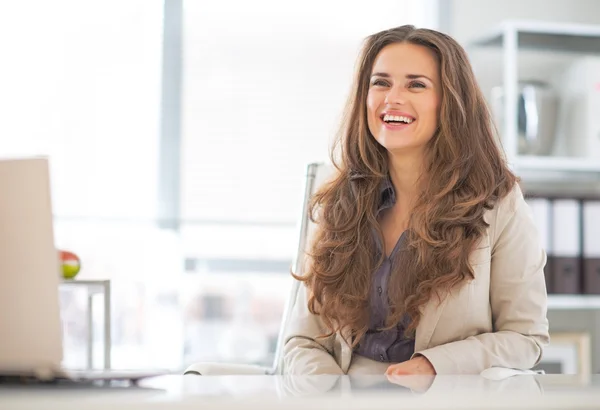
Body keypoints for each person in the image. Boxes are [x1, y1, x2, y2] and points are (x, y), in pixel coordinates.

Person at [282, 25, 549, 376]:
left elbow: (525, 338)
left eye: (416, 84)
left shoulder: (499, 204)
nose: (393, 98)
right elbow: (302, 341)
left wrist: (434, 367)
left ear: (450, 102)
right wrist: (328, 389)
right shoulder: (337, 200)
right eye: (380, 83)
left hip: (444, 397)